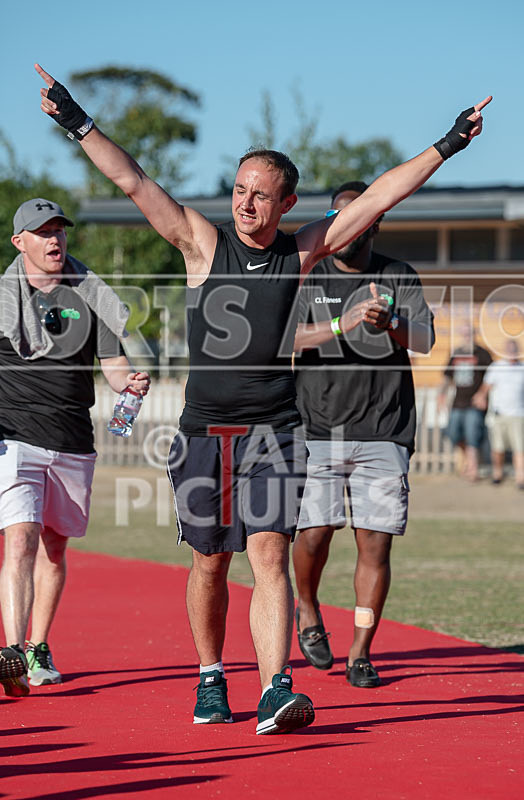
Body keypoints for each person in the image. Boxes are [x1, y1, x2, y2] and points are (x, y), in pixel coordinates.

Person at [35, 62, 490, 733]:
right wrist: (77, 121)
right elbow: (133, 180)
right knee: (210, 562)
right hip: (204, 431)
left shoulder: (300, 253)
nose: (245, 202)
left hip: (276, 429)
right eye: (240, 189)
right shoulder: (201, 243)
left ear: (287, 206)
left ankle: (276, 687)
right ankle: (211, 676)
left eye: (260, 194)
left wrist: (448, 142)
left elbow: (381, 196)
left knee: (269, 553)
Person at [0, 198, 150, 697]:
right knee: (19, 539)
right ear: (20, 242)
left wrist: (130, 382)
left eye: (59, 231)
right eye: (42, 232)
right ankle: (14, 653)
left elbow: (111, 364)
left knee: (54, 546)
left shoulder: (93, 297)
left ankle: (40, 646)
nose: (54, 240)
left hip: (71, 440)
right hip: (14, 437)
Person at [292, 181, 435, 685]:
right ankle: (306, 607)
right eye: (334, 217)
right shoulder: (309, 274)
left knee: (375, 545)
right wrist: (342, 323)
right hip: (318, 428)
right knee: (314, 533)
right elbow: (284, 338)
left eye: (355, 216)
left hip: (385, 430)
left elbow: (425, 340)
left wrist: (391, 320)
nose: (343, 225)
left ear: (375, 221)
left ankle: (360, 650)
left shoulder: (398, 275)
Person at [438, 324, 492, 481]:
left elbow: (491, 377)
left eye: (469, 334)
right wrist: (441, 394)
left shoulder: (483, 354)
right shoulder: (456, 353)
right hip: (457, 403)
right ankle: (469, 460)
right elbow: (447, 376)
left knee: (472, 435)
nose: (467, 337)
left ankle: (472, 470)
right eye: (464, 334)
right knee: (453, 434)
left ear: (474, 335)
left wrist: (482, 395)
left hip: (474, 404)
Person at [477, 340, 524, 489]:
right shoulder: (496, 367)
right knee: (498, 448)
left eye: (514, 350)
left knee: (520, 448)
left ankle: (520, 478)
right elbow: (486, 387)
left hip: (518, 414)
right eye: (509, 349)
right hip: (499, 414)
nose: (511, 352)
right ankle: (497, 474)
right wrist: (481, 397)